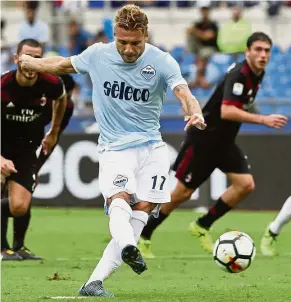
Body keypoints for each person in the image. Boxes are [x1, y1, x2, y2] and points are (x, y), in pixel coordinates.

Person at [20, 4, 206, 296]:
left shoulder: (162, 61)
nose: (129, 50)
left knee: (144, 207)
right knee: (119, 198)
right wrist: (32, 63)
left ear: (145, 35)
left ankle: (94, 282)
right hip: (115, 148)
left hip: (152, 149)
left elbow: (184, 93)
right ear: (114, 35)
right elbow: (61, 65)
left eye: (135, 43)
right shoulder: (98, 55)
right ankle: (129, 246)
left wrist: (195, 112)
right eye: (122, 42)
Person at [139, 32, 288, 257]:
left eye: (267, 50)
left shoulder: (258, 74)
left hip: (224, 143)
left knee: (245, 185)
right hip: (204, 140)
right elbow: (226, 111)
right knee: (181, 194)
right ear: (247, 52)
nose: (263, 55)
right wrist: (262, 119)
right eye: (257, 49)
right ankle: (144, 235)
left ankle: (202, 225)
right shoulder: (240, 74)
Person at [1, 38, 67, 260]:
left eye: (37, 58)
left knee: (19, 206)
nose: (31, 62)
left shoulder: (51, 83)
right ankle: (2, 249)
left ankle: (18, 246)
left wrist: (55, 131)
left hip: (27, 150)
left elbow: (62, 98)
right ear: (17, 58)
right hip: (2, 148)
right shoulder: (3, 87)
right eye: (27, 57)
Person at [187, 2, 218, 88]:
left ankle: (199, 78)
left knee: (202, 55)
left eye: (206, 9)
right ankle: (200, 78)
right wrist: (200, 33)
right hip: (199, 49)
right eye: (202, 9)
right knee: (191, 39)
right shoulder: (198, 23)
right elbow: (188, 31)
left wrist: (197, 32)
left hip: (210, 48)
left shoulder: (213, 24)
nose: (204, 12)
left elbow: (208, 36)